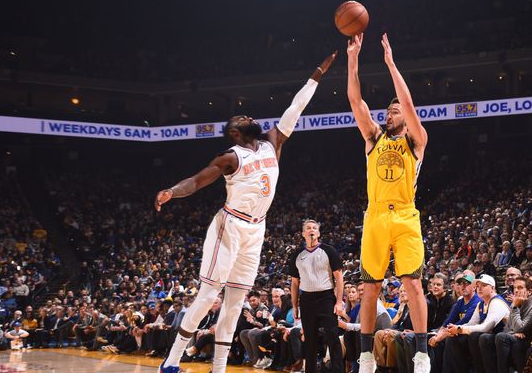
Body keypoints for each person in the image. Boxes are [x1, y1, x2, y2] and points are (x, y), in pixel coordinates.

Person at [156, 51, 337, 373]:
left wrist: (318, 73)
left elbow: (296, 107)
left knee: (236, 301)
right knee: (209, 292)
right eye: (240, 118)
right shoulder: (231, 156)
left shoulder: (272, 142)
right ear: (235, 133)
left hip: (256, 229)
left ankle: (219, 368)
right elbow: (197, 180)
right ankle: (171, 362)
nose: (247, 116)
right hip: (229, 226)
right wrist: (173, 191)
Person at [346, 32, 430, 373]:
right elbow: (356, 101)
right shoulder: (373, 138)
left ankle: (422, 353)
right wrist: (353, 59)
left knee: (413, 284)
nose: (390, 113)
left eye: (394, 110)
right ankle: (366, 355)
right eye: (389, 110)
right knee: (370, 287)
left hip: (406, 216)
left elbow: (409, 105)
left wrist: (391, 64)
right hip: (376, 217)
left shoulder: (416, 140)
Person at [288, 219, 345, 373]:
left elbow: (339, 277)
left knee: (332, 337)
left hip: (326, 297)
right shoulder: (296, 255)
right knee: (309, 340)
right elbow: (294, 283)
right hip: (306, 299)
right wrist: (294, 306)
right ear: (303, 233)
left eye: (314, 228)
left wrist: (339, 302)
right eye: (308, 228)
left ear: (318, 233)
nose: (311, 230)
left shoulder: (329, 250)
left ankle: (338, 370)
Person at [441, 275, 509, 373]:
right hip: (490, 337)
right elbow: (471, 323)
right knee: (454, 337)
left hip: (503, 338)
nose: (480, 288)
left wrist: (460, 329)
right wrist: (455, 328)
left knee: (478, 336)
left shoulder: (497, 303)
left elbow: (486, 327)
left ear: (493, 288)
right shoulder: (480, 304)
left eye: (484, 285)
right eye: (477, 286)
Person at [481, 276, 532, 373]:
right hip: (515, 336)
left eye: (520, 288)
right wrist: (512, 333)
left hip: (528, 339)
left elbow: (520, 328)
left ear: (530, 291)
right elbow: (507, 327)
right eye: (514, 288)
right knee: (484, 338)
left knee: (501, 337)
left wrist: (514, 307)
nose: (516, 291)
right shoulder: (517, 301)